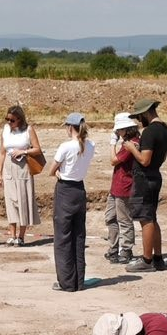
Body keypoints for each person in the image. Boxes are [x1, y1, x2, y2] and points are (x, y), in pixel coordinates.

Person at [49, 112, 94, 292]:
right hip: (79, 189)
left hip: (65, 189)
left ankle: (66, 282)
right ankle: (78, 281)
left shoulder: (66, 146)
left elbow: (52, 170)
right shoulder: (90, 145)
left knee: (62, 237)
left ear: (70, 127)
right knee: (78, 235)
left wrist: (58, 173)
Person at [125, 99, 167, 271]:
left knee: (146, 219)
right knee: (152, 218)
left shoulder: (150, 132)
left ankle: (147, 260)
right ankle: (157, 258)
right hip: (154, 176)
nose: (138, 120)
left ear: (145, 113)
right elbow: (162, 157)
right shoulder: (165, 130)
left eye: (139, 116)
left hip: (145, 179)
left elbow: (144, 160)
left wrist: (131, 148)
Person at [0, 104, 41, 246]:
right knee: (10, 201)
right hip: (8, 167)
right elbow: (2, 152)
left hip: (23, 166)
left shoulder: (28, 130)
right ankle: (12, 235)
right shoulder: (5, 130)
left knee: (23, 200)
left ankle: (21, 236)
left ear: (19, 119)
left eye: (12, 120)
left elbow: (37, 149)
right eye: (7, 119)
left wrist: (23, 152)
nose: (9, 123)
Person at [104, 112, 139, 265]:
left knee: (124, 219)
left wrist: (112, 143)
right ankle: (113, 248)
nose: (117, 133)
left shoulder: (132, 143)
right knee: (110, 217)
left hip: (124, 186)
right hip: (116, 185)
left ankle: (126, 250)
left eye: (119, 130)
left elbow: (113, 160)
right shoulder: (128, 142)